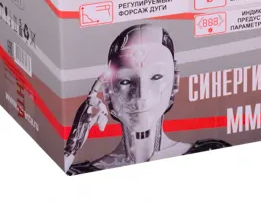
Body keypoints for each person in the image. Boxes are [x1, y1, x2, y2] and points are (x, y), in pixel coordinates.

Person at [64, 24, 230, 174]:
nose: (141, 96)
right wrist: (71, 148)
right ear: (107, 91)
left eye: (156, 77)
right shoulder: (80, 173)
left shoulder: (212, 155)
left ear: (175, 81)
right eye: (125, 81)